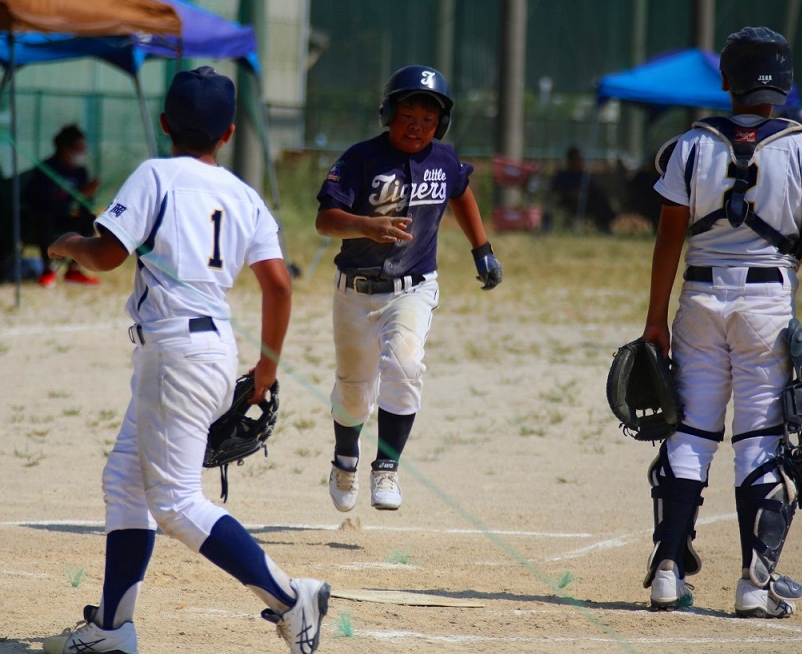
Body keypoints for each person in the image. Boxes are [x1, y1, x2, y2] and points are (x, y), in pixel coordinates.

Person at [43, 67, 330, 654]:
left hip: (173, 351)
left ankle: (289, 597)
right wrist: (268, 368)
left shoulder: (156, 173)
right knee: (125, 480)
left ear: (165, 124)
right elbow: (278, 286)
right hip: (212, 349)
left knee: (174, 503)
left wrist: (67, 243)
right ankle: (111, 630)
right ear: (228, 132)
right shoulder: (242, 192)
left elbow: (105, 254)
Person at [639, 27, 802, 618]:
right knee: (759, 442)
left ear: (724, 80)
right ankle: (754, 587)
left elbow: (669, 235)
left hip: (699, 302)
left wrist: (655, 319)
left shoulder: (692, 145)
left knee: (691, 435)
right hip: (767, 307)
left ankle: (668, 572)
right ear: (783, 85)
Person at [316, 65, 503, 513]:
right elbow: (325, 220)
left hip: (413, 287)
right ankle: (345, 460)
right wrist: (366, 225)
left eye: (428, 118)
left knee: (405, 364)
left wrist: (483, 250)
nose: (418, 126)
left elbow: (462, 191)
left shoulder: (443, 158)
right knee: (355, 389)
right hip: (356, 291)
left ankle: (387, 467)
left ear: (441, 123)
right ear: (388, 113)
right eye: (408, 115)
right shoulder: (361, 159)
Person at [26, 124, 102, 287]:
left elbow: (82, 205)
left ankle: (74, 270)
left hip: (64, 218)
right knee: (45, 216)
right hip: (40, 220)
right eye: (80, 148)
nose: (84, 152)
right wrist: (77, 196)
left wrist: (85, 198)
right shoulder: (47, 169)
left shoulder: (80, 172)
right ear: (66, 150)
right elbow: (40, 202)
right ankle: (47, 269)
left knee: (88, 219)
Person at [546, 146, 616, 233]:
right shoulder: (562, 175)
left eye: (580, 159)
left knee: (600, 199)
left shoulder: (584, 176)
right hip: (569, 202)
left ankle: (605, 226)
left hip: (587, 202)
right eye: (576, 159)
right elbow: (556, 191)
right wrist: (572, 193)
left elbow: (593, 189)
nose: (580, 162)